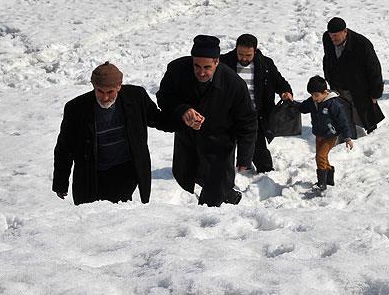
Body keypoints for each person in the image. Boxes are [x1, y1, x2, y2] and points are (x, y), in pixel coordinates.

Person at [156, 35, 257, 207]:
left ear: (217, 62)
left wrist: (244, 157)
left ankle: (206, 224)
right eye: (196, 66)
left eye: (207, 67)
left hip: (219, 142)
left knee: (212, 196)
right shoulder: (177, 71)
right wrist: (183, 110)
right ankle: (227, 193)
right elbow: (163, 98)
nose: (201, 72)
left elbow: (247, 121)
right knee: (185, 175)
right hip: (187, 138)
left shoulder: (233, 84)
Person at [53, 62, 170, 205]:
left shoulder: (135, 98)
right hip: (92, 175)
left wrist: (184, 117)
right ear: (93, 87)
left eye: (110, 92)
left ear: (119, 86)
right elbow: (65, 148)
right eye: (100, 91)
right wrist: (60, 182)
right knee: (92, 217)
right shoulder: (76, 108)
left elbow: (159, 120)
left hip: (124, 172)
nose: (105, 98)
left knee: (117, 214)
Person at [220, 34, 293, 173]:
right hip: (228, 114)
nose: (243, 58)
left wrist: (285, 92)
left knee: (258, 147)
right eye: (240, 54)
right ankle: (224, 173)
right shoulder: (224, 62)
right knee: (224, 148)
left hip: (254, 115)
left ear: (255, 50)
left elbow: (280, 83)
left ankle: (266, 174)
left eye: (248, 55)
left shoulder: (265, 64)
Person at [322, 17, 385, 133]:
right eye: (330, 35)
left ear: (345, 31)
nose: (332, 38)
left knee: (364, 114)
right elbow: (327, 58)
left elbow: (374, 69)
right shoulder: (327, 38)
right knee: (342, 114)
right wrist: (328, 77)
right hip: (337, 84)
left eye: (335, 35)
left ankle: (373, 136)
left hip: (358, 86)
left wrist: (376, 92)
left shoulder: (362, 44)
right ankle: (348, 136)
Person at [296, 76, 355, 191]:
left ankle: (321, 183)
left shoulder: (333, 104)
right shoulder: (313, 102)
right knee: (323, 158)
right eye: (312, 95)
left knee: (320, 156)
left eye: (316, 95)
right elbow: (302, 108)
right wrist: (291, 102)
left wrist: (347, 137)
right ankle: (329, 179)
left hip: (331, 135)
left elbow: (343, 121)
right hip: (319, 134)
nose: (314, 98)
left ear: (325, 92)